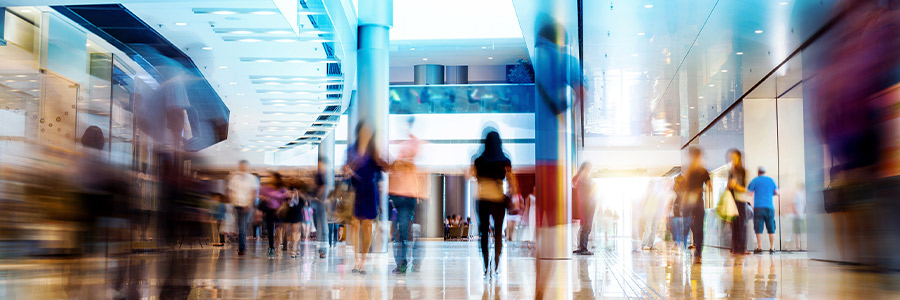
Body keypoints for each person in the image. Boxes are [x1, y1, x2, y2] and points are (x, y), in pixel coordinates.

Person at [470, 129, 519, 278]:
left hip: (483, 200)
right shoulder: (505, 160)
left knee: (484, 233)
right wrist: (514, 196)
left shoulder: (478, 160)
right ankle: (496, 265)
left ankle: (486, 266)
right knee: (498, 233)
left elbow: (471, 174)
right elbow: (512, 181)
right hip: (498, 201)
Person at [344, 122, 386, 274]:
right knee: (354, 224)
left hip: (369, 190)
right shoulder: (351, 151)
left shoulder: (373, 152)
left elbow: (381, 173)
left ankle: (363, 260)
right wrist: (347, 170)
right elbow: (345, 170)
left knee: (368, 225)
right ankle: (356, 260)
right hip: (355, 189)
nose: (366, 135)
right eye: (364, 131)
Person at [388, 116, 427, 274]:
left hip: (408, 194)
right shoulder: (406, 145)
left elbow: (408, 165)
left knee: (402, 230)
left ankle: (403, 264)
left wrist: (398, 163)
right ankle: (403, 263)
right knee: (401, 230)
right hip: (402, 194)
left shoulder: (414, 144)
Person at [684, 147, 711, 264]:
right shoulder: (701, 171)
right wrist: (703, 189)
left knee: (695, 227)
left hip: (692, 202)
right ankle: (698, 253)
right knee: (698, 227)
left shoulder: (690, 171)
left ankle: (697, 252)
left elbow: (686, 189)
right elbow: (710, 187)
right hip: (697, 202)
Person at [227, 160, 259, 256]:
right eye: (242, 166)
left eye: (245, 166)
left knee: (242, 227)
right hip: (237, 204)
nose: (243, 168)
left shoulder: (252, 178)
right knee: (240, 227)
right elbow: (231, 192)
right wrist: (232, 204)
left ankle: (242, 248)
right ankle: (242, 246)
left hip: (246, 205)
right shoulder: (234, 178)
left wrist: (249, 204)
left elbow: (253, 193)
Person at [747, 167, 779, 254]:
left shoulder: (755, 180)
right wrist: (770, 193)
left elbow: (749, 193)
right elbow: (777, 192)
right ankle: (772, 248)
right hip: (769, 207)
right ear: (765, 172)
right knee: (771, 228)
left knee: (758, 228)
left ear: (758, 172)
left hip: (758, 207)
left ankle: (759, 248)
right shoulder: (771, 180)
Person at [258, 172, 289, 258]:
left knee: (280, 229)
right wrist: (264, 198)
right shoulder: (267, 188)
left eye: (273, 177)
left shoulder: (281, 188)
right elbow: (260, 193)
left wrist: (280, 198)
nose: (271, 179)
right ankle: (271, 247)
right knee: (270, 230)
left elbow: (287, 196)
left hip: (279, 211)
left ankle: (281, 244)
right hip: (270, 211)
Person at [727, 149, 749, 255]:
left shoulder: (742, 171)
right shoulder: (731, 171)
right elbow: (729, 187)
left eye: (733, 157)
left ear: (739, 158)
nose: (731, 159)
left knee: (740, 225)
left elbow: (745, 189)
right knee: (734, 225)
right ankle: (735, 248)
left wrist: (735, 185)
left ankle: (741, 248)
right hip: (732, 201)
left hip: (740, 200)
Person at [573, 162, 596, 255]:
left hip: (588, 205)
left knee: (585, 226)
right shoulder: (583, 178)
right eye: (588, 168)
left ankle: (581, 247)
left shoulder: (583, 178)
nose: (589, 170)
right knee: (586, 226)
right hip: (587, 205)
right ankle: (583, 248)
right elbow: (585, 193)